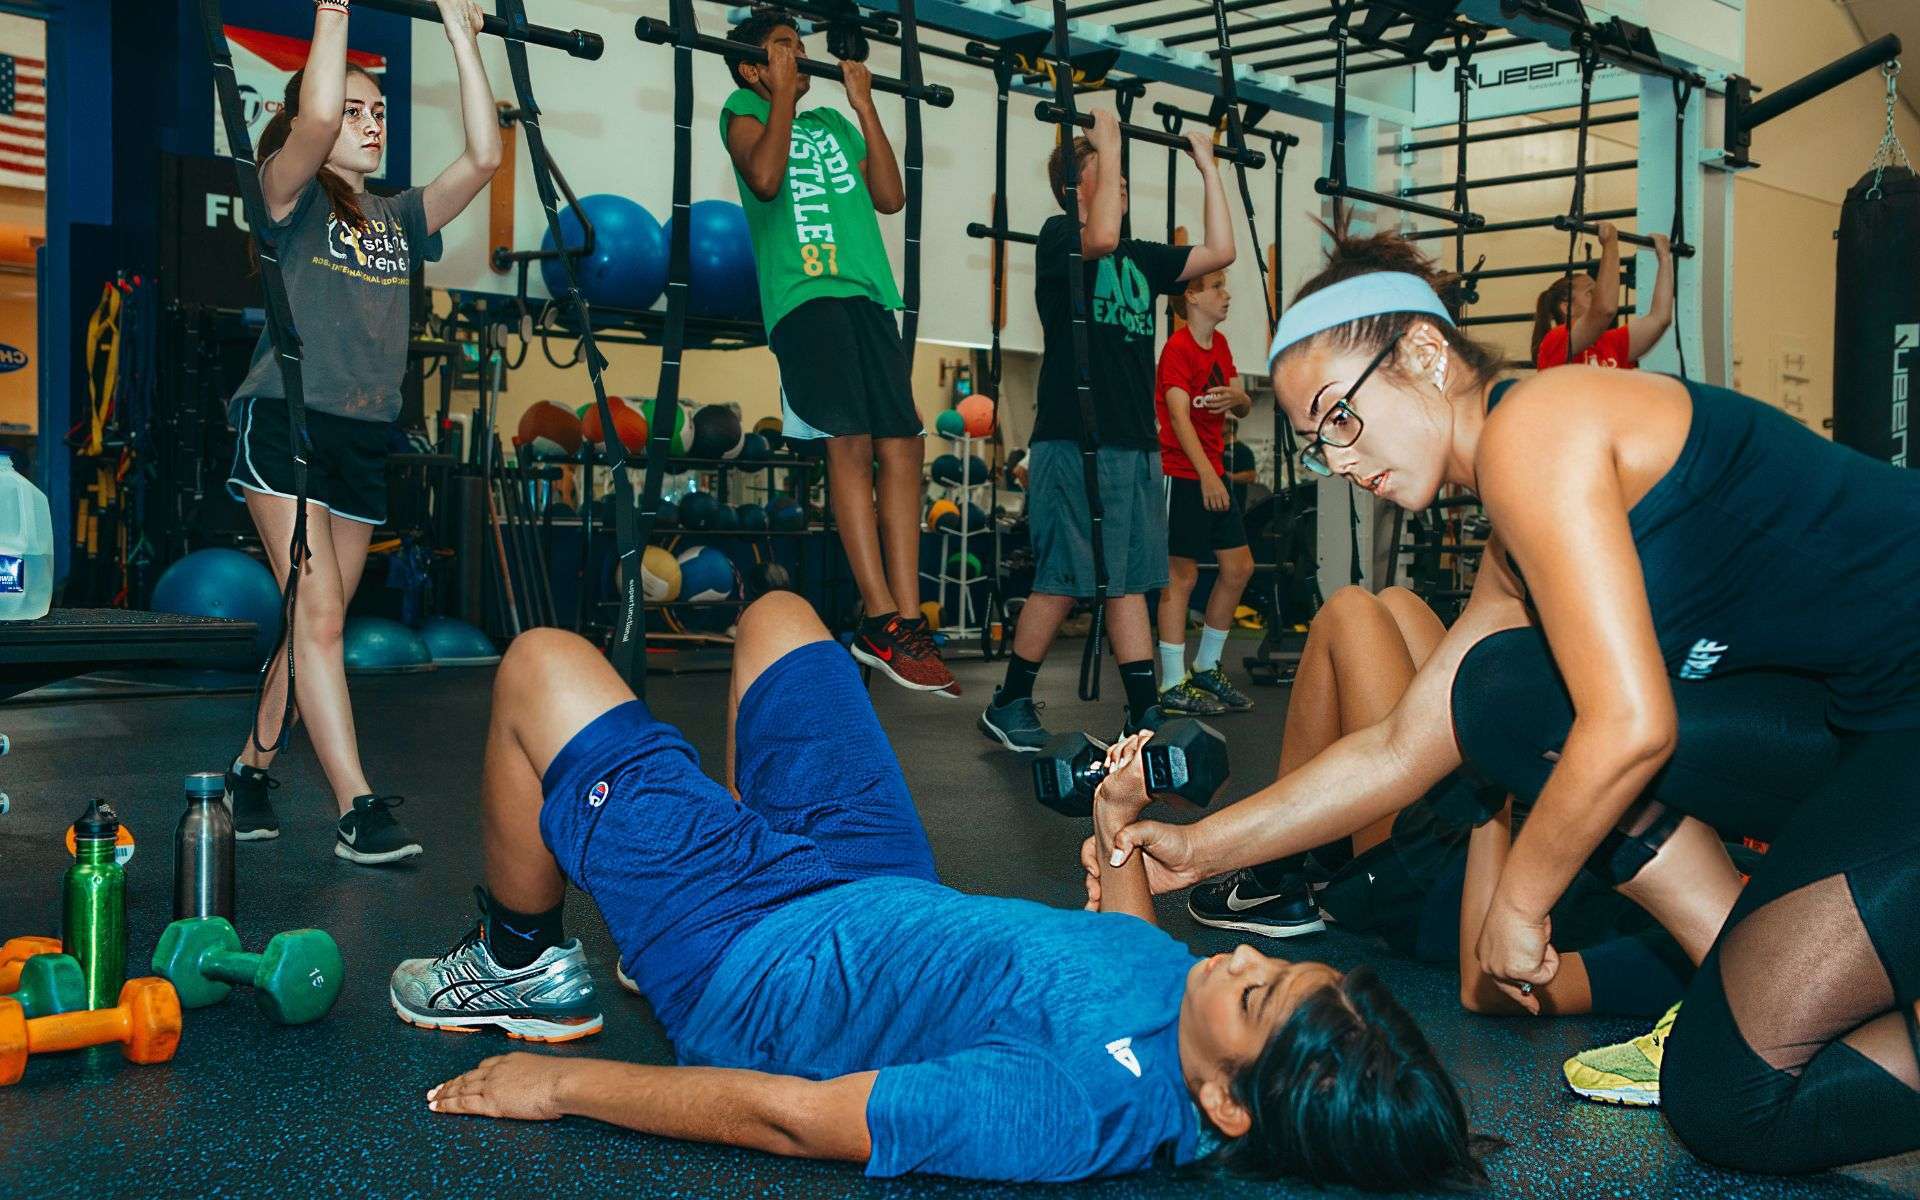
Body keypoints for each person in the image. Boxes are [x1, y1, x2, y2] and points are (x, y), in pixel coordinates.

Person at [1091, 222, 1920, 1173]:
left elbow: (1632, 726)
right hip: (1862, 732)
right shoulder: (1509, 550)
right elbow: (1404, 748)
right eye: (1319, 446)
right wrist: (1196, 850)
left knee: (1732, 1101)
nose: (1341, 458)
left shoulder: (1540, 425)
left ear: (1426, 351)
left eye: (1341, 416)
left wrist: (1520, 904)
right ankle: (1740, 946)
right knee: (1503, 697)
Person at [390, 593, 1488, 1189]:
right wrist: (1116, 841)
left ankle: (521, 962)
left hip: (752, 960)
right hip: (869, 883)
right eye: (1275, 965)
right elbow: (1128, 962)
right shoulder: (1194, 1043)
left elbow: (794, 1120)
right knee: (780, 617)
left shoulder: (1057, 1111)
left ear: (1226, 1107)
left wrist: (567, 1092)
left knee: (540, 660)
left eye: (1254, 993)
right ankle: (670, 888)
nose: (1241, 959)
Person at [223, 0, 501, 865]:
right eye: (354, 110)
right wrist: (334, 8)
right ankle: (356, 807)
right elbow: (309, 115)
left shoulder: (399, 217)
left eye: (378, 110)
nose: (370, 122)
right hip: (286, 423)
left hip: (361, 435)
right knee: (318, 617)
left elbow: (487, 157)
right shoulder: (284, 189)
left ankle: (249, 776)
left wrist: (461, 35)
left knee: (323, 619)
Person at [979, 110, 1235, 752]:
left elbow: (1221, 250)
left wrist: (1209, 169)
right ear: (1076, 188)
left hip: (1134, 444)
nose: (1122, 186)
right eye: (1109, 177)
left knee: (1130, 579)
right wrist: (1109, 143)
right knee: (1062, 578)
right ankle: (1010, 702)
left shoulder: (1143, 262)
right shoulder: (1059, 236)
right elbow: (1099, 235)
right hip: (1071, 440)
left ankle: (1145, 711)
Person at [720, 13, 953, 696]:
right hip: (804, 298)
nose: (798, 54)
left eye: (800, 43)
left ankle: (907, 621)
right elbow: (764, 178)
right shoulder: (743, 112)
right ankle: (878, 612)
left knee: (904, 440)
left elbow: (889, 195)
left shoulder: (833, 125)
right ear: (752, 68)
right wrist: (783, 99)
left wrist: (865, 104)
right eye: (782, 47)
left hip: (867, 295)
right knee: (847, 443)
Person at [1152, 270, 1256, 717]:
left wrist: (1236, 400)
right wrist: (1207, 477)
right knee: (1182, 576)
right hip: (1183, 472)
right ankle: (1173, 682)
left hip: (1213, 471)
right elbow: (1178, 419)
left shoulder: (1222, 345)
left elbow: (1244, 401)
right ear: (1192, 297)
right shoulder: (1177, 350)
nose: (1226, 294)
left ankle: (1207, 665)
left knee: (1239, 568)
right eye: (1217, 287)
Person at [1530, 222, 1674, 369]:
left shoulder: (1611, 341)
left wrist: (1664, 258)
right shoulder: (1556, 340)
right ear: (1567, 308)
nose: (1598, 296)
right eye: (1591, 293)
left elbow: (1660, 318)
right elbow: (1604, 309)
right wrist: (1610, 243)